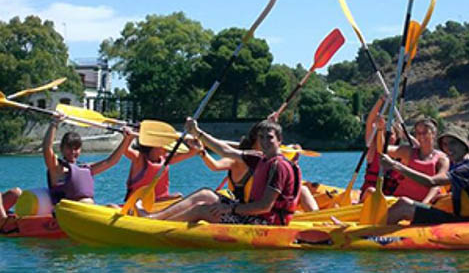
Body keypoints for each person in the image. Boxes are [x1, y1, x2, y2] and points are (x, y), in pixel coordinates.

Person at [137, 118, 302, 225]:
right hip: (251, 214)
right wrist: (198, 133)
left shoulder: (279, 167)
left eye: (270, 137)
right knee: (205, 194)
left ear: (280, 140)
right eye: (261, 137)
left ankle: (156, 229)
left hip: (267, 223)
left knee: (202, 209)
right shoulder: (260, 159)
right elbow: (224, 150)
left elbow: (264, 207)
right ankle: (153, 218)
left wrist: (229, 209)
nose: (265, 141)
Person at [381, 125, 469, 225]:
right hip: (460, 216)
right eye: (445, 144)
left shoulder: (468, 168)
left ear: (464, 146)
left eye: (453, 143)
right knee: (403, 201)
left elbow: (431, 181)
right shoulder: (465, 165)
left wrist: (395, 165)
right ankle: (377, 231)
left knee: (404, 208)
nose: (448, 148)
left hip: (466, 221)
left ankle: (372, 237)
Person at [362, 102, 449, 204]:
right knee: (371, 191)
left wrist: (424, 204)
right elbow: (382, 150)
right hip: (401, 201)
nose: (421, 136)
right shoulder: (408, 151)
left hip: (424, 203)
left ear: (434, 134)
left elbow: (437, 183)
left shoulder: (442, 158)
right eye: (418, 133)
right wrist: (380, 130)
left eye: (425, 132)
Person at [43, 113, 134, 205]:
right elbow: (47, 148)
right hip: (68, 213)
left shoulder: (85, 168)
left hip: (88, 211)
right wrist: (54, 123)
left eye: (76, 148)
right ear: (62, 148)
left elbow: (110, 162)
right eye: (69, 148)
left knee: (112, 206)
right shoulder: (56, 168)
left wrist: (126, 139)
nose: (73, 152)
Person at [124, 140, 198, 202]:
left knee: (178, 196)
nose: (167, 148)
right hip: (139, 202)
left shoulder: (166, 159)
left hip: (160, 202)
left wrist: (194, 141)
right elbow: (124, 150)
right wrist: (129, 137)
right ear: (154, 145)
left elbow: (194, 151)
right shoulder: (139, 158)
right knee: (178, 196)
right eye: (163, 145)